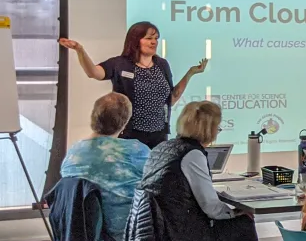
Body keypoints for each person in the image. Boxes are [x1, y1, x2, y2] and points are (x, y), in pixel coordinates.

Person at [137, 101, 263, 241]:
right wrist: (235, 213)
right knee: (244, 224)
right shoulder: (192, 155)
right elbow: (211, 207)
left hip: (158, 236)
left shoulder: (161, 149)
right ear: (209, 129)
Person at [59, 22, 208, 148]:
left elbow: (172, 98)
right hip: (129, 135)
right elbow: (93, 73)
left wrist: (190, 73)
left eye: (156, 38)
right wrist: (80, 50)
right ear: (135, 40)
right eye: (149, 38)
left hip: (159, 135)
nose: (154, 42)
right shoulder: (120, 64)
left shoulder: (162, 65)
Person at [60, 93, 149, 241]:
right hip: (128, 229)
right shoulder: (136, 150)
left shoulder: (73, 153)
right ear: (124, 123)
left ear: (93, 116)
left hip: (82, 230)